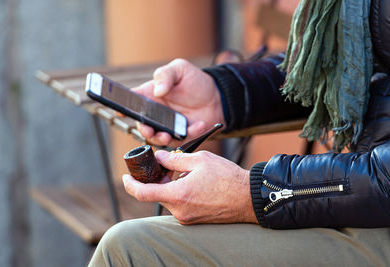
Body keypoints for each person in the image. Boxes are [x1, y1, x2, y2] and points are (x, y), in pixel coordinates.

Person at [88, 1, 390, 266]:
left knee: (129, 250)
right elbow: (337, 61)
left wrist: (253, 192)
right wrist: (225, 93)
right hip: (364, 201)